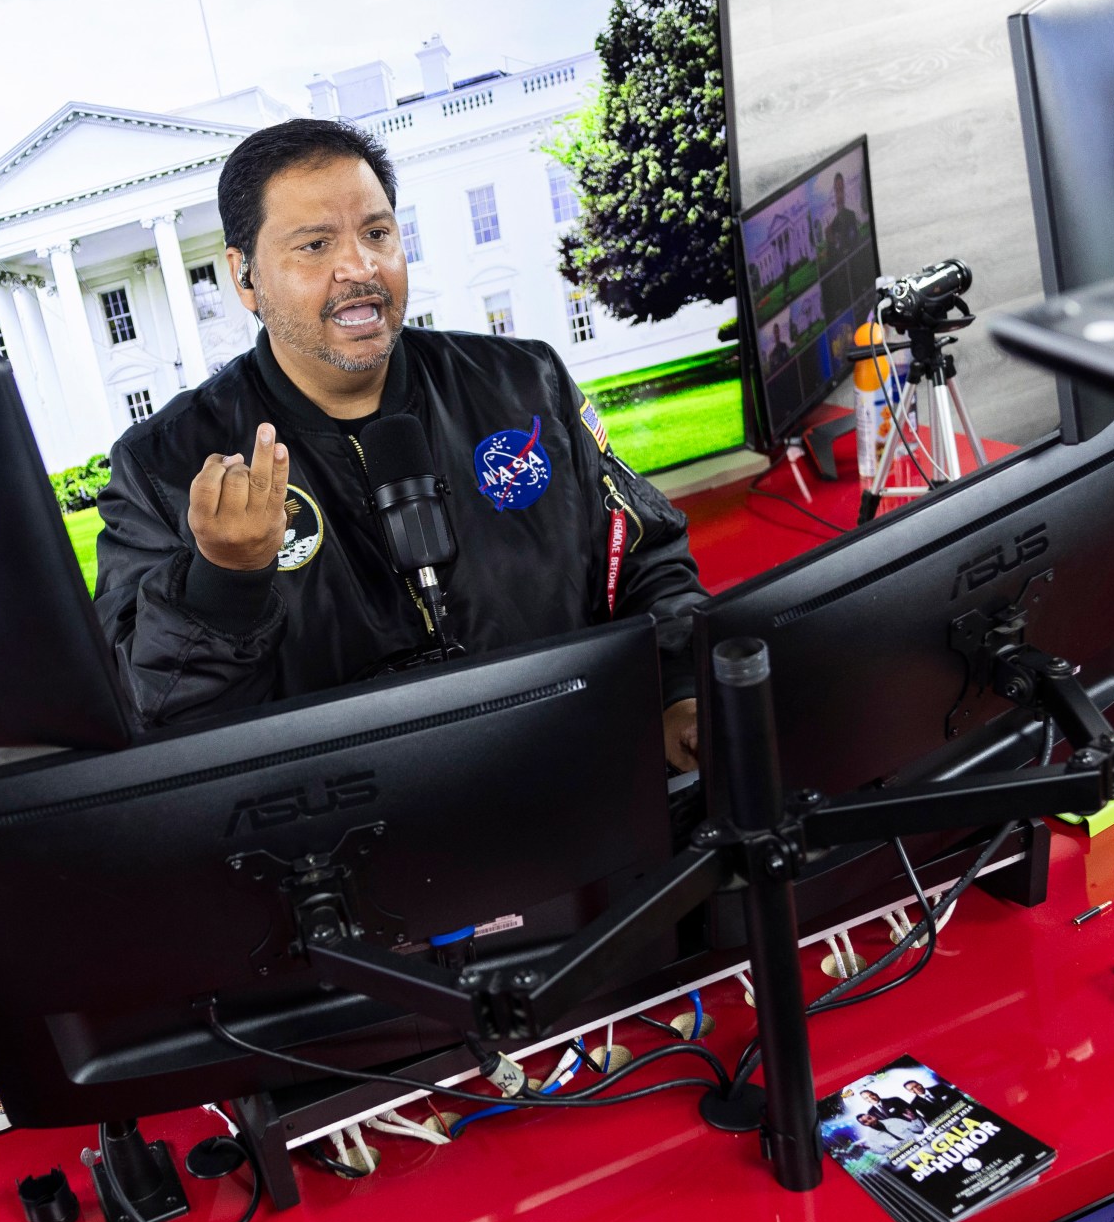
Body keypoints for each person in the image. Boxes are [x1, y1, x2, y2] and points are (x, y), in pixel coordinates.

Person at [93, 119, 708, 766]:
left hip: (579, 774)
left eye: (378, 233)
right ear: (244, 276)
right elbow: (146, 716)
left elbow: (644, 561)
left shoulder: (525, 384)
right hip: (348, 836)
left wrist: (682, 691)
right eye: (314, 245)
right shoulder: (162, 467)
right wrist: (223, 580)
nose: (359, 267)